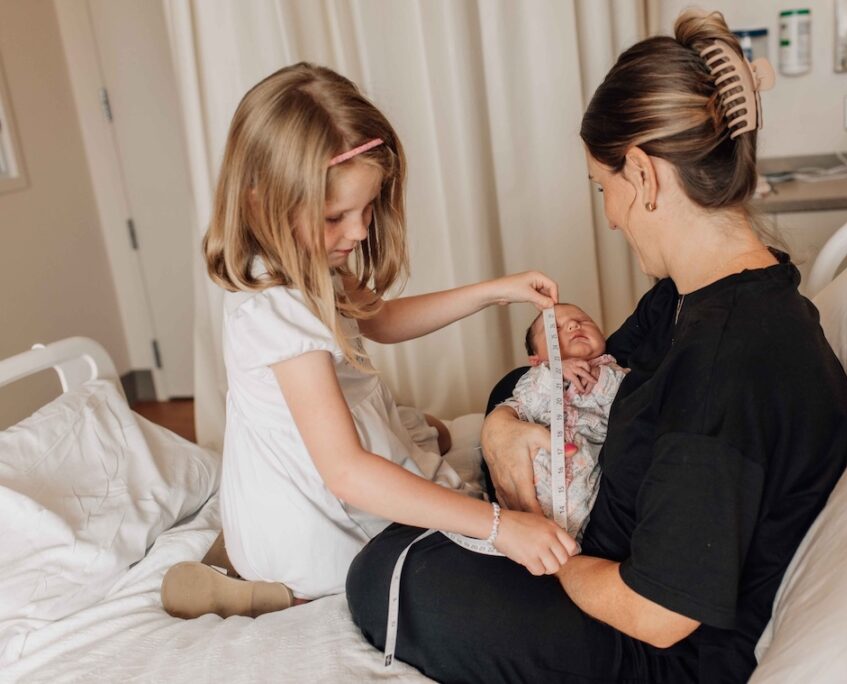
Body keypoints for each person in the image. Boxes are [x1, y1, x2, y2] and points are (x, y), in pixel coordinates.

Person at [346, 9, 847, 683]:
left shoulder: (727, 366)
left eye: (604, 189)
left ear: (644, 176)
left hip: (658, 647)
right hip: (607, 549)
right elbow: (574, 374)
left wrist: (546, 550)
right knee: (413, 538)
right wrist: (502, 429)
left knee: (385, 572)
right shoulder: (692, 301)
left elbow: (658, 612)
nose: (611, 216)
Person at [161, 62, 577, 620]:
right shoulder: (277, 309)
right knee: (434, 506)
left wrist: (494, 291)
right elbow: (348, 473)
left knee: (423, 429)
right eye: (337, 216)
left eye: (367, 209)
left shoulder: (305, 255)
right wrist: (500, 528)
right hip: (306, 529)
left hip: (322, 447)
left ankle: (243, 557)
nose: (358, 232)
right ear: (262, 201)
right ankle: (279, 587)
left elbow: (379, 319)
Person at [504, 303, 627, 540]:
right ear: (536, 359)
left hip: (586, 475)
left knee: (572, 536)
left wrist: (599, 376)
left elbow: (624, 402)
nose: (573, 325)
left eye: (584, 320)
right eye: (556, 327)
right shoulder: (536, 377)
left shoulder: (613, 371)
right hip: (534, 474)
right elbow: (527, 401)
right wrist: (555, 371)